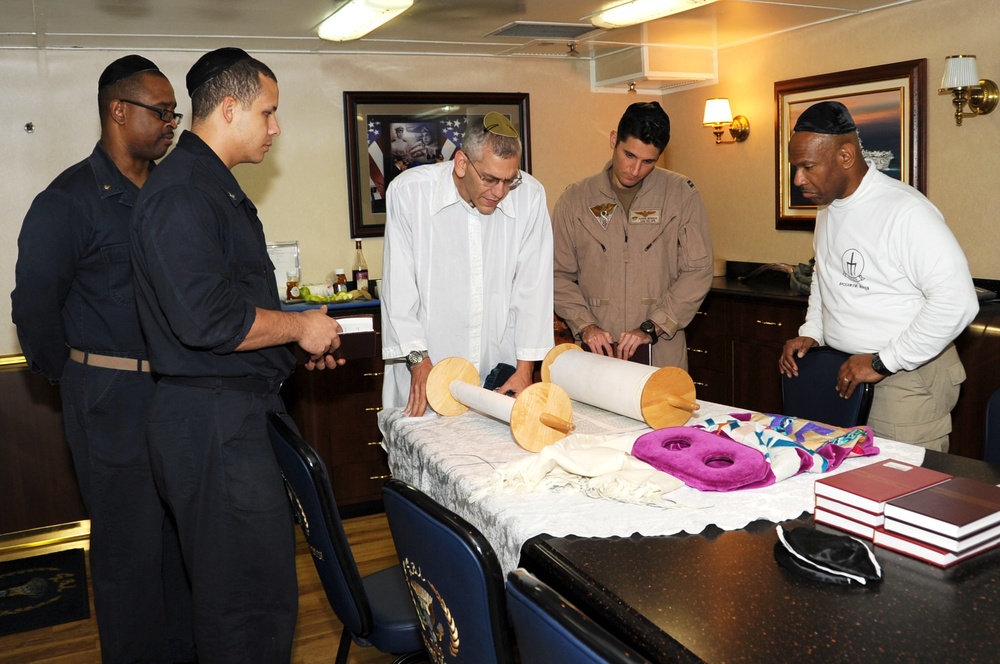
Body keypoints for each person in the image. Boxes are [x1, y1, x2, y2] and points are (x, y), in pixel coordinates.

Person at [130, 47, 344, 661]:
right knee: (247, 609)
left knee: (253, 595)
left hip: (233, 414)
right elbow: (207, 318)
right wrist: (298, 327)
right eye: (268, 112)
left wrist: (292, 343)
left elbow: (234, 310)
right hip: (213, 425)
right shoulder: (183, 194)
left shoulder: (210, 188)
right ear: (229, 109)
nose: (275, 128)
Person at [11, 55, 194, 663]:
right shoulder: (67, 201)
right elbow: (33, 309)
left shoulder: (172, 194)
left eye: (174, 114)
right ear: (119, 110)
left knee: (180, 546)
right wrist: (75, 377)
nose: (171, 124)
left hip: (177, 395)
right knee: (128, 555)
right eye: (161, 112)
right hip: (110, 402)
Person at [778, 101, 978, 452]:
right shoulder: (828, 208)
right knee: (842, 481)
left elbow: (957, 303)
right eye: (796, 167)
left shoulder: (906, 211)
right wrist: (812, 331)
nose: (798, 179)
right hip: (847, 371)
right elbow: (825, 277)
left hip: (905, 380)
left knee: (901, 481)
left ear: (845, 156)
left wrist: (883, 362)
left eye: (808, 166)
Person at [381, 111, 554, 417]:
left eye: (509, 180)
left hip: (499, 374)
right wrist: (419, 362)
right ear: (461, 163)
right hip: (424, 371)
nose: (499, 192)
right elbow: (399, 291)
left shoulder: (530, 196)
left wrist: (525, 370)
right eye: (489, 179)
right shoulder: (410, 193)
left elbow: (533, 291)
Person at [552, 101, 714, 369]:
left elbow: (698, 271)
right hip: (596, 354)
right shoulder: (576, 199)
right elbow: (557, 275)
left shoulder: (680, 195)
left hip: (661, 352)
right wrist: (585, 325)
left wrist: (654, 326)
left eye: (648, 161)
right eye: (629, 155)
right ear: (613, 140)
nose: (635, 170)